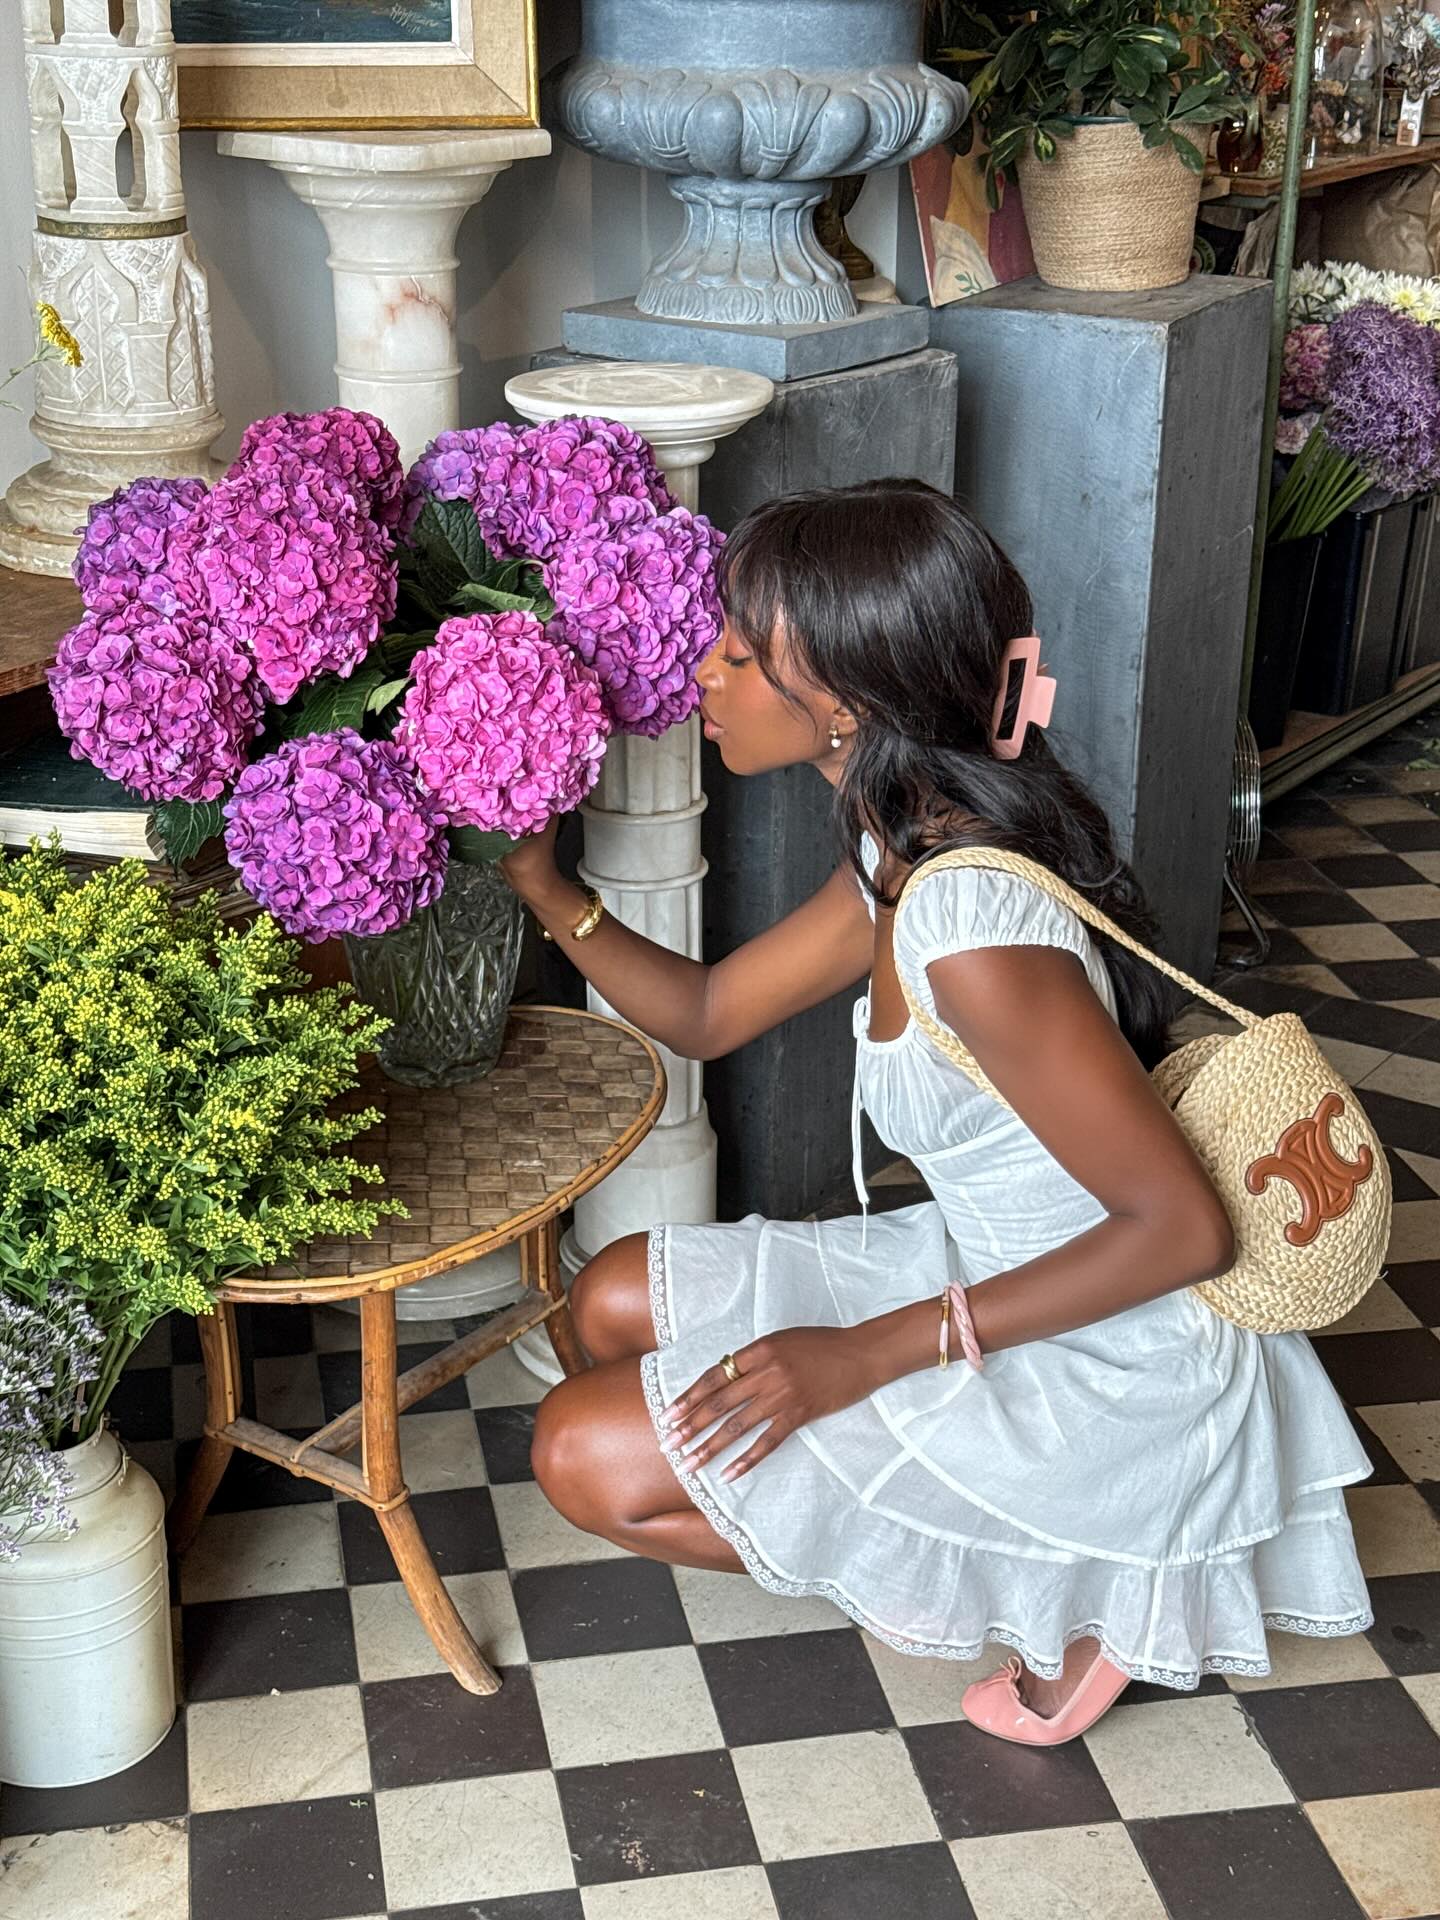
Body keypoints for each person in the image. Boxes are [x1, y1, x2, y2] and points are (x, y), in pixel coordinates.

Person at [499, 479, 1372, 1745]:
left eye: (742, 654)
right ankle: (945, 1532)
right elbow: (703, 1013)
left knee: (581, 1453)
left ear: (846, 703)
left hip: (1111, 1352)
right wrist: (542, 880)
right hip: (995, 1265)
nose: (706, 671)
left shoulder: (967, 927)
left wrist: (861, 1354)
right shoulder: (901, 848)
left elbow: (1186, 1233)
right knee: (607, 1296)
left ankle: (1061, 1585)